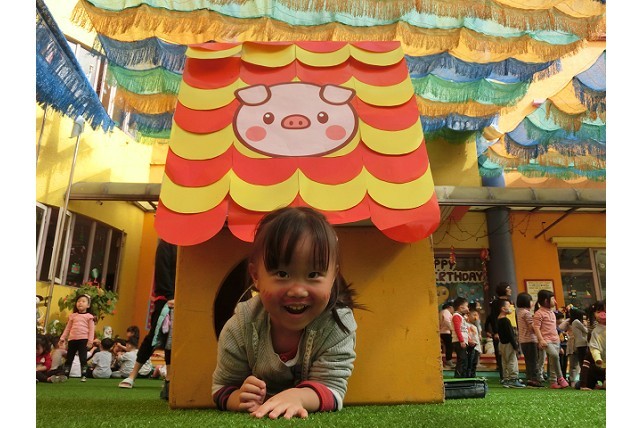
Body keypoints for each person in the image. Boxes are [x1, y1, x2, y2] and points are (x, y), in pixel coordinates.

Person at [211, 207, 361, 419]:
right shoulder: (241, 325)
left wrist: (298, 397)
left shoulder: (337, 325)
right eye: (282, 274)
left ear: (333, 276)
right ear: (256, 276)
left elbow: (333, 389)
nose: (298, 290)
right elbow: (222, 387)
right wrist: (239, 397)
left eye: (313, 274)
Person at [119, 239, 177, 401]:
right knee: (153, 337)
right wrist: (170, 296)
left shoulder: (190, 244)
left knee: (174, 340)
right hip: (165, 300)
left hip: (184, 299)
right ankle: (132, 375)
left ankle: (170, 380)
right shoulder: (167, 244)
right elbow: (162, 271)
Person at [533, 290, 569, 389]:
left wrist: (559, 345)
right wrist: (541, 340)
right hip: (546, 340)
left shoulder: (552, 313)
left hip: (555, 340)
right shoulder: (539, 313)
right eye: (553, 299)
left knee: (553, 361)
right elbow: (536, 328)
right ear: (546, 301)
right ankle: (560, 378)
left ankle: (553, 382)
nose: (555, 302)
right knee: (554, 355)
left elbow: (554, 328)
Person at [60, 294, 95, 383]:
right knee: (69, 358)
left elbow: (91, 330)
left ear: (88, 305)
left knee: (83, 359)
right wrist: (62, 338)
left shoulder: (89, 317)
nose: (80, 303)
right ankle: (66, 375)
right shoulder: (73, 316)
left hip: (83, 340)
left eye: (83, 301)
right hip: (72, 340)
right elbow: (68, 328)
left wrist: (90, 341)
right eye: (78, 301)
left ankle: (84, 375)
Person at [484, 282, 514, 381]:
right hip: (501, 330)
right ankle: (504, 375)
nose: (510, 290)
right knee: (501, 353)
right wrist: (495, 332)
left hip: (511, 327)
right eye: (508, 288)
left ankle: (511, 374)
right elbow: (492, 318)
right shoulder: (496, 303)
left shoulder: (510, 301)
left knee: (511, 352)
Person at [516, 292, 543, 387]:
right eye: (531, 301)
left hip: (523, 340)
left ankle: (529, 378)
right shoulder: (526, 313)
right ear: (526, 302)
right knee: (534, 361)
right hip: (530, 339)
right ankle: (534, 379)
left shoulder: (519, 312)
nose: (532, 303)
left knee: (528, 361)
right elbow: (532, 328)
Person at [497, 300, 525, 388]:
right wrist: (516, 347)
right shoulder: (506, 321)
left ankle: (506, 379)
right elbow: (510, 335)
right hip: (509, 344)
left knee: (504, 361)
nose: (511, 308)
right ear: (503, 308)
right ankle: (513, 378)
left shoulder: (498, 319)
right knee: (512, 361)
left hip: (502, 343)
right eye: (509, 306)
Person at [579, 300, 606, 391]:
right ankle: (584, 383)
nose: (603, 314)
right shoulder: (594, 330)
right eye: (599, 312)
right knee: (588, 360)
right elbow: (593, 347)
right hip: (598, 359)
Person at [450, 296, 470, 378]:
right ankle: (458, 376)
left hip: (463, 341)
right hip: (458, 341)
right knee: (462, 359)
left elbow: (465, 329)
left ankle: (462, 375)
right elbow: (457, 329)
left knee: (464, 359)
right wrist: (461, 341)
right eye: (467, 306)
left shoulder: (461, 316)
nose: (468, 308)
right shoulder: (456, 316)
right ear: (461, 307)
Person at [568, 307, 588, 388]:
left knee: (580, 363)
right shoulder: (576, 322)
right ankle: (582, 380)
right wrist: (586, 325)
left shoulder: (574, 322)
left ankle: (580, 380)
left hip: (579, 344)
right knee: (582, 363)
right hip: (582, 343)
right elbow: (586, 330)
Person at [466, 308, 482, 378]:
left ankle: (473, 376)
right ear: (468, 315)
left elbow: (478, 338)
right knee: (470, 363)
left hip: (476, 346)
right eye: (474, 315)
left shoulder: (476, 326)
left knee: (474, 363)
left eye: (477, 315)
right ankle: (468, 376)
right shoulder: (466, 324)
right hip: (470, 346)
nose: (475, 317)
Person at [439, 301, 455, 368]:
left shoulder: (442, 312)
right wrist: (451, 329)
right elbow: (446, 320)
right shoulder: (446, 312)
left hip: (443, 331)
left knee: (448, 346)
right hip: (445, 332)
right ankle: (449, 360)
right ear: (450, 307)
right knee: (449, 346)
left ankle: (448, 360)